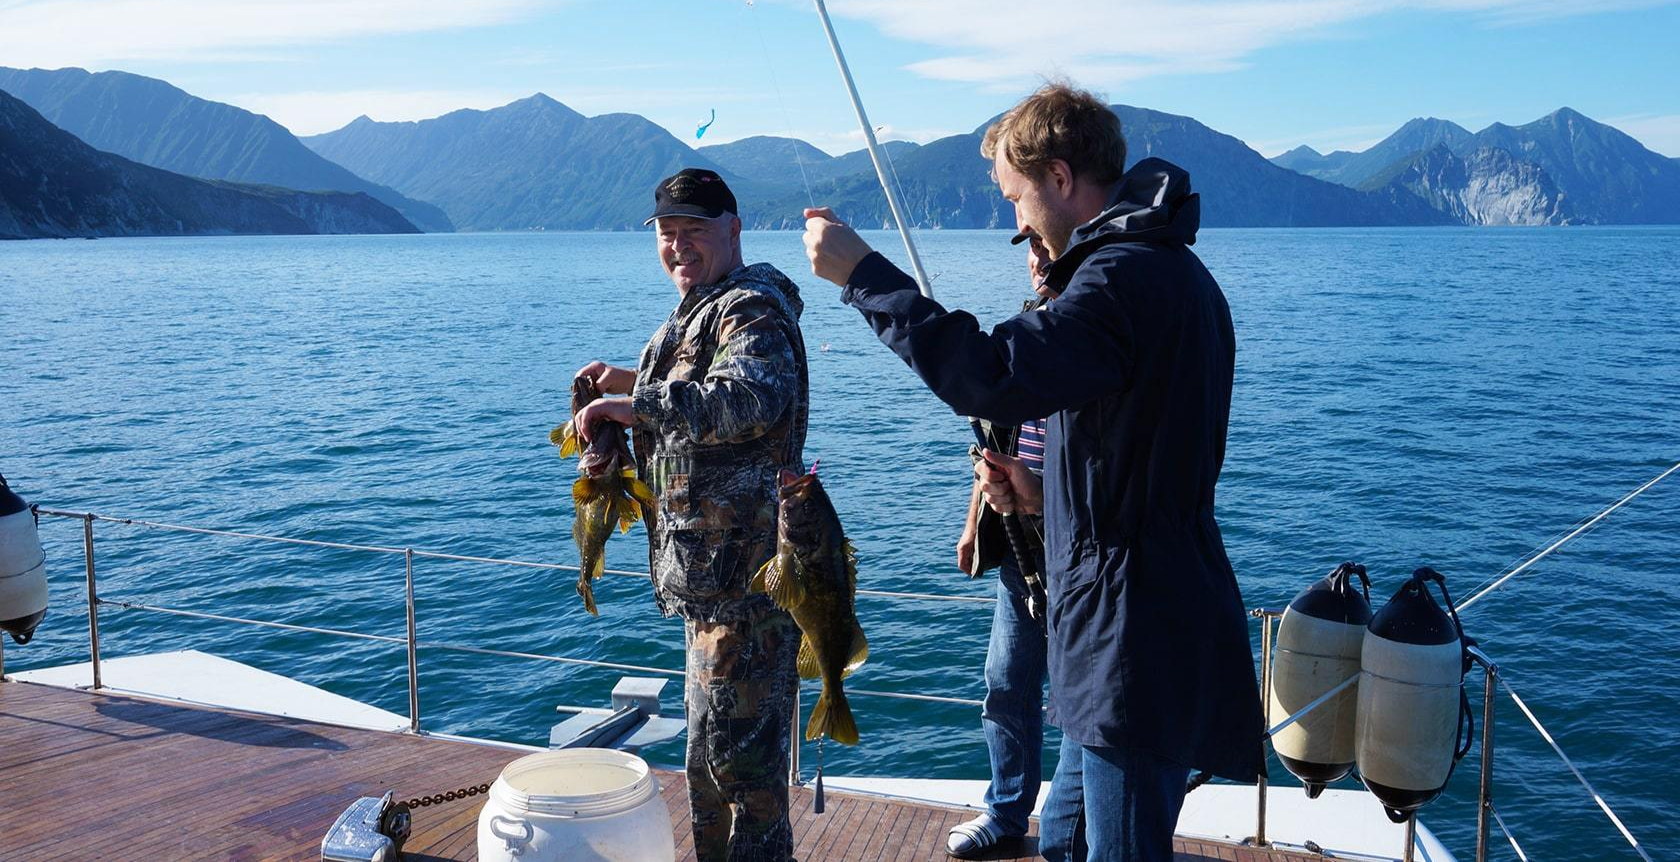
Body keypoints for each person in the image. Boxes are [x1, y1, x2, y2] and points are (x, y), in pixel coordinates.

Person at [803, 83, 1263, 861]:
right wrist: (1043, 494)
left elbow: (991, 374)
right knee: (1063, 838)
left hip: (1129, 633)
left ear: (1058, 177)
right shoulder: (1174, 274)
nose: (1015, 221)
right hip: (1137, 610)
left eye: (1017, 197)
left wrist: (864, 276)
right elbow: (1143, 460)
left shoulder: (1119, 279)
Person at [572, 167, 807, 862]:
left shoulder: (750, 309)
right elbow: (697, 388)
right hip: (714, 588)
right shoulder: (705, 305)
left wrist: (634, 406)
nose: (678, 247)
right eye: (667, 235)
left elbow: (749, 398)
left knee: (741, 775)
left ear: (734, 229)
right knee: (711, 765)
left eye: (694, 232)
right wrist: (628, 383)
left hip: (749, 591)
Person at [947, 236, 1055, 860]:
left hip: (1081, 546)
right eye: (1030, 248)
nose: (1037, 259)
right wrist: (972, 525)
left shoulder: (1092, 336)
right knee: (1006, 683)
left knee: (1083, 698)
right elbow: (991, 448)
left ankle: (1078, 816)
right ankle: (1006, 811)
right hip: (1019, 545)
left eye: (1046, 245)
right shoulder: (1021, 337)